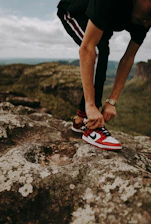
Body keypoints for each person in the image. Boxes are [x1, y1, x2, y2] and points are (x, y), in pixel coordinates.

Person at [57, 0, 151, 150]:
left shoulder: (145, 17)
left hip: (101, 19)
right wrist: (91, 106)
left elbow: (128, 59)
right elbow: (86, 49)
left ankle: (80, 121)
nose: (147, 23)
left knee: (102, 49)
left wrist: (112, 100)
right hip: (74, 10)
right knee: (99, 50)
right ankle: (91, 127)